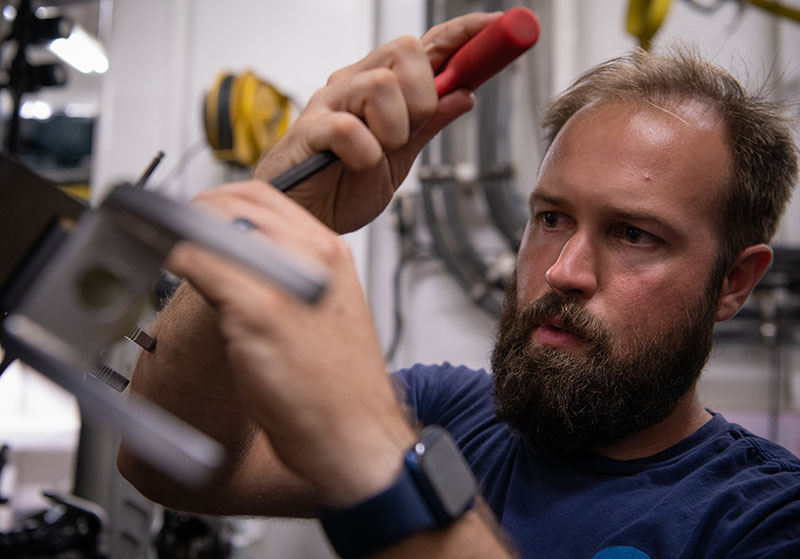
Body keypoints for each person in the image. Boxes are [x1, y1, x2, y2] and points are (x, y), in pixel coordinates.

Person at [117, 11, 800, 559]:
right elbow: (167, 461)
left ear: (733, 281)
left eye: (634, 235)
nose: (563, 271)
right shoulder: (455, 415)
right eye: (552, 217)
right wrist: (274, 205)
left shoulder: (765, 518)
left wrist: (376, 454)